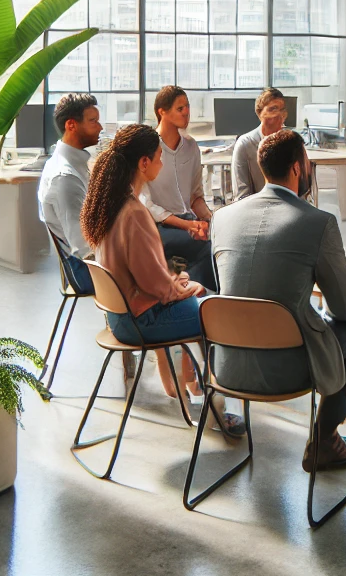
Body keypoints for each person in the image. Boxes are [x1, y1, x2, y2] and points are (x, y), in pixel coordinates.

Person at [212, 129, 346, 473]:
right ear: (299, 168)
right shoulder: (316, 222)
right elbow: (345, 309)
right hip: (286, 370)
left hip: (226, 365)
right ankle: (325, 440)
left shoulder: (222, 218)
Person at [80, 124, 245, 437]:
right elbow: (157, 287)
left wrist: (176, 282)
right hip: (142, 320)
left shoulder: (109, 203)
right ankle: (217, 405)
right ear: (143, 163)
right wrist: (184, 287)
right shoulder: (134, 211)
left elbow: (146, 275)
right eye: (158, 158)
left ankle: (196, 389)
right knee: (213, 309)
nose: (161, 163)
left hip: (120, 316)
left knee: (199, 294)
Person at [141, 85, 216, 290]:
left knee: (220, 239)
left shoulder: (191, 146)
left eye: (187, 107)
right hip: (159, 227)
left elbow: (195, 196)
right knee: (208, 248)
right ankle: (195, 297)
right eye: (179, 108)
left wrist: (211, 220)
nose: (186, 113)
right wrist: (189, 227)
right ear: (162, 112)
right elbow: (148, 206)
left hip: (188, 220)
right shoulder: (148, 148)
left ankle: (194, 293)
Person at [38, 93, 103, 295]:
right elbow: (84, 249)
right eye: (93, 121)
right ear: (71, 126)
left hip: (88, 258)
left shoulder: (74, 163)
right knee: (157, 259)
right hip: (84, 271)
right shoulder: (65, 178)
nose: (100, 127)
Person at [231, 87, 289, 201]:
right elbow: (242, 195)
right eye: (273, 109)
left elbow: (302, 190)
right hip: (256, 210)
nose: (279, 115)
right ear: (260, 113)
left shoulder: (289, 143)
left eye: (281, 110)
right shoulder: (245, 145)